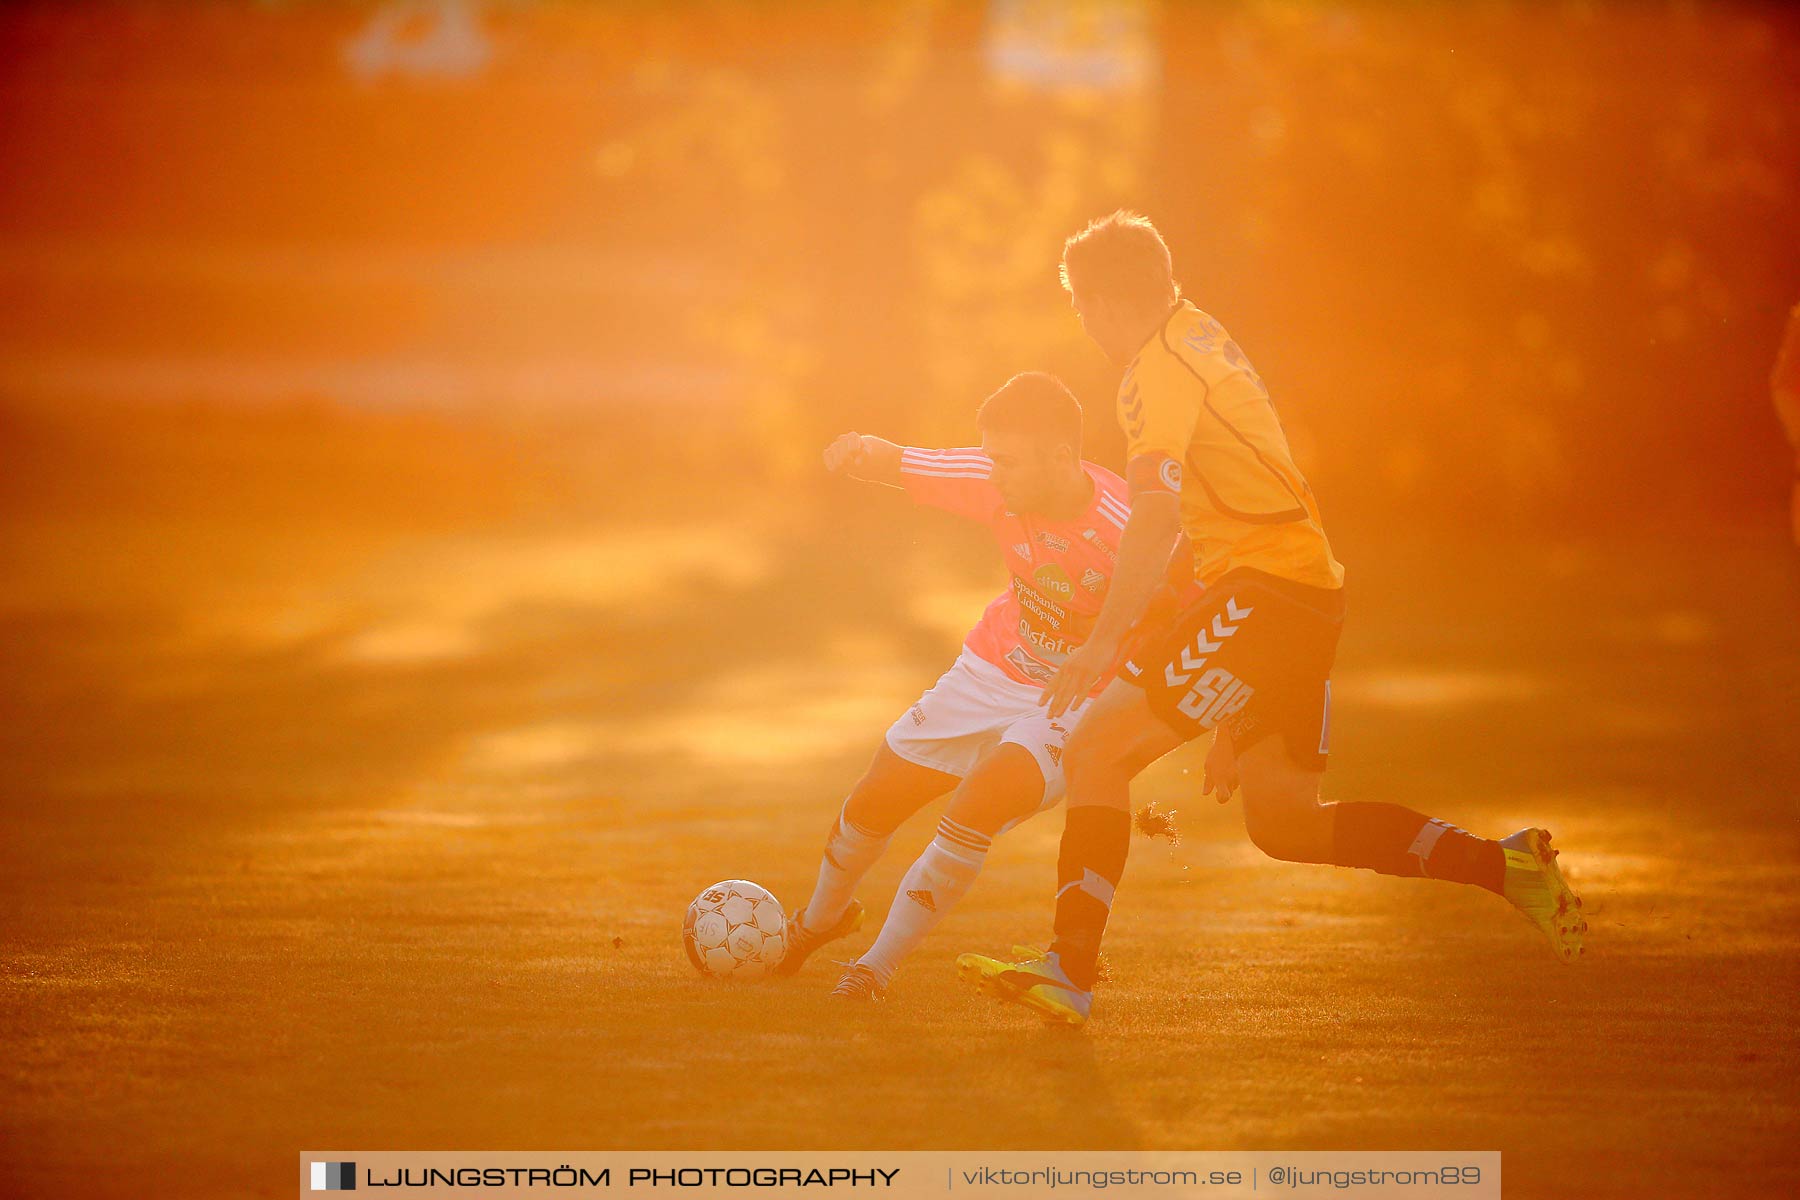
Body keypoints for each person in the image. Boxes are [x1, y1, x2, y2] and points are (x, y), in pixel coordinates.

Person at [956, 211, 1586, 1027]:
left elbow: (1153, 511)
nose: (1083, 320)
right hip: (1301, 595)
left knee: (1096, 747)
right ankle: (1508, 869)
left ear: (1105, 301)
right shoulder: (1202, 334)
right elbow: (1205, 511)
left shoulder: (1154, 373)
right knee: (1285, 822)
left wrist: (1106, 639)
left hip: (1266, 595)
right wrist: (1228, 697)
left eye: (1080, 302)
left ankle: (1068, 970)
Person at [781, 371, 1192, 1001]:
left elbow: (1202, 608)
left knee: (981, 798)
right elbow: (903, 461)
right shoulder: (992, 477)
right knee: (876, 797)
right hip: (990, 669)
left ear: (1061, 457)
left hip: (1077, 701)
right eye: (989, 457)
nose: (992, 475)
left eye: (1005, 461)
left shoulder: (1130, 527)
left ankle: (875, 968)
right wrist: (858, 447)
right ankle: (819, 921)